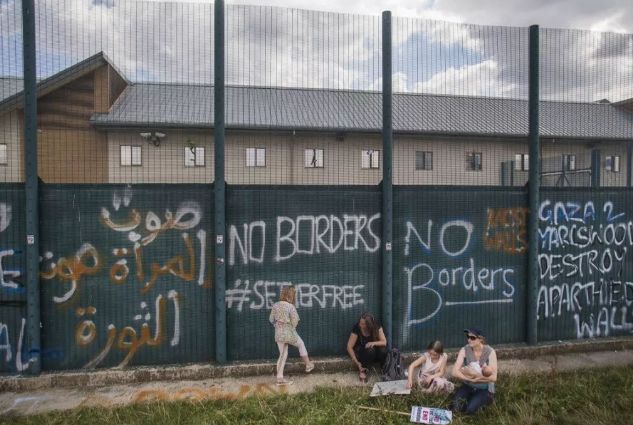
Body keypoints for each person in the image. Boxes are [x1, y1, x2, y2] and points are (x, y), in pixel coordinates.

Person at [269, 286, 315, 386]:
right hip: (289, 333)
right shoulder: (290, 306)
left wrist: (278, 326)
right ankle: (308, 365)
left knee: (282, 354)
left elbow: (271, 319)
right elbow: (295, 321)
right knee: (301, 344)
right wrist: (290, 328)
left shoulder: (275, 305)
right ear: (291, 295)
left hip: (278, 333)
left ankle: (280, 378)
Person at [450, 328, 498, 415]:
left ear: (480, 339)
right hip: (468, 384)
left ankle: (487, 400)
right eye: (468, 337)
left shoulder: (490, 352)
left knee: (470, 410)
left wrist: (478, 378)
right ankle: (468, 401)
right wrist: (470, 380)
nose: (469, 340)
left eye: (472, 338)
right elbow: (454, 372)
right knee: (455, 407)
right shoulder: (465, 349)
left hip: (484, 388)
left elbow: (494, 378)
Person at [346, 312, 387, 382]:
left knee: (383, 350)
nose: (360, 325)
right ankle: (363, 370)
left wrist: (373, 343)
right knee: (370, 350)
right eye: (360, 322)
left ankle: (384, 369)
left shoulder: (376, 325)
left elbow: (384, 342)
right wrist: (357, 363)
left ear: (369, 325)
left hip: (376, 353)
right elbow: (349, 347)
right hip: (363, 353)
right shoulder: (357, 328)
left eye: (363, 324)